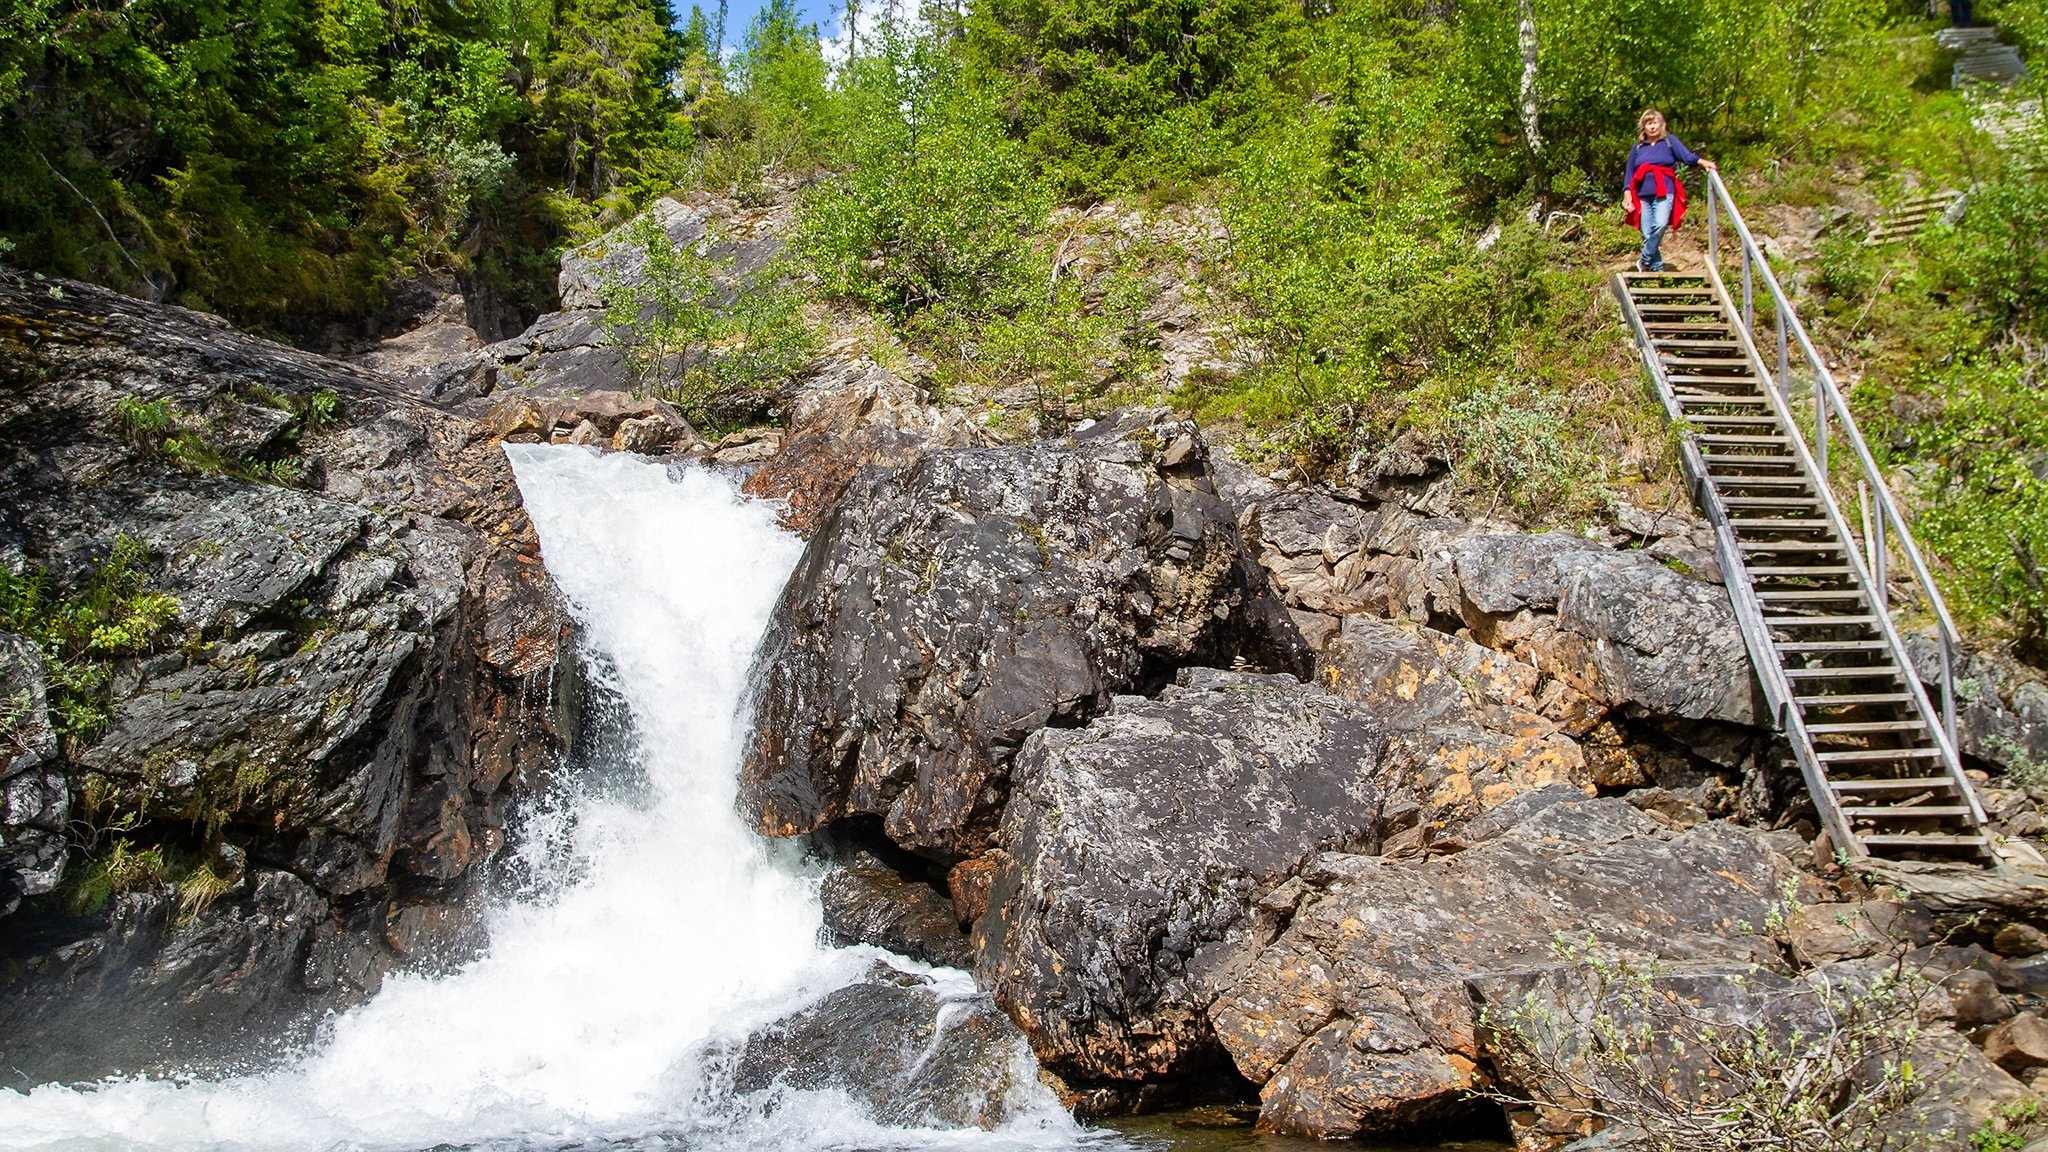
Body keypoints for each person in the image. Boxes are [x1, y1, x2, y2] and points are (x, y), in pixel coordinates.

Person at [1622, 109, 1717, 273]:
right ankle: (1655, 266)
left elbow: (1687, 156)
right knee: (1646, 231)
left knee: (1659, 224)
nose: (1652, 127)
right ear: (1643, 127)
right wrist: (1627, 193)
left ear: (1661, 124)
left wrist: (1703, 162)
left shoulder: (1669, 142)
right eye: (1648, 124)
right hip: (1642, 194)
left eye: (1655, 123)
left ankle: (1644, 260)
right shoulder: (1638, 147)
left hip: (1664, 191)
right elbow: (1630, 171)